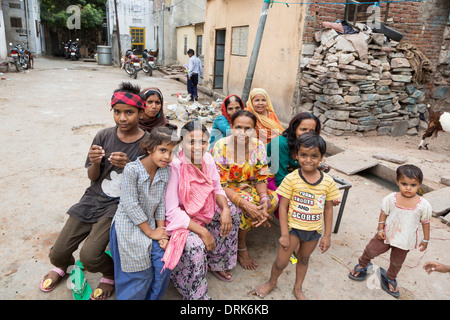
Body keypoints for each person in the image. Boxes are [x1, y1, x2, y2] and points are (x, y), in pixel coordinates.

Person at [39, 82, 149, 300]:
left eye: (129, 112)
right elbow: (92, 177)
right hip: (92, 198)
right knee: (58, 252)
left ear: (141, 112)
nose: (122, 118)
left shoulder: (147, 143)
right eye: (117, 112)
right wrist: (95, 162)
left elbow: (147, 186)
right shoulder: (103, 136)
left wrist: (129, 166)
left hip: (120, 204)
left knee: (90, 256)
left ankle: (109, 274)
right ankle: (66, 266)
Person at [254, 132, 340, 300]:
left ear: (322, 157)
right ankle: (272, 282)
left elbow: (328, 209)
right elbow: (283, 206)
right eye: (303, 155)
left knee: (304, 259)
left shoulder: (328, 182)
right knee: (281, 262)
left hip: (313, 232)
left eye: (314, 156)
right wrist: (284, 234)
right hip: (293, 230)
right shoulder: (291, 179)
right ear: (296, 155)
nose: (308, 160)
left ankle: (298, 288)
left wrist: (327, 236)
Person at [163, 121, 241, 300]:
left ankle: (218, 263)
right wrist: (202, 231)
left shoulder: (207, 159)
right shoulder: (175, 166)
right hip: (182, 218)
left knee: (233, 211)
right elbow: (172, 211)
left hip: (203, 210)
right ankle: (195, 293)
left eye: (203, 142)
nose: (198, 147)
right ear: (181, 143)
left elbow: (217, 188)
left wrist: (226, 210)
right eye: (192, 142)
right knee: (195, 245)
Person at [109, 124, 180, 300]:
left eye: (171, 152)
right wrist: (151, 232)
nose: (167, 157)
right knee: (139, 273)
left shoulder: (165, 171)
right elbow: (130, 204)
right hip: (128, 227)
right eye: (163, 150)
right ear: (149, 148)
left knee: (164, 264)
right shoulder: (132, 170)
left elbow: (161, 204)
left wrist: (162, 234)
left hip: (151, 226)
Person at [348, 164, 432, 298]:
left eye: (413, 185)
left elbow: (426, 223)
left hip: (405, 240)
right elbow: (383, 214)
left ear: (419, 185)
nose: (408, 188)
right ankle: (362, 264)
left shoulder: (424, 205)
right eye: (404, 184)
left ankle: (390, 277)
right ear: (397, 182)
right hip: (386, 235)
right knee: (370, 249)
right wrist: (379, 229)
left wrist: (426, 239)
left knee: (397, 262)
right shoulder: (391, 199)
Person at [212, 110, 278, 271]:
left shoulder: (258, 146)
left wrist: (264, 199)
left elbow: (261, 177)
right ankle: (242, 245)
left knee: (273, 199)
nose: (242, 132)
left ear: (254, 130)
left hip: (248, 185)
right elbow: (220, 184)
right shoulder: (222, 147)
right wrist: (245, 204)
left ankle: (251, 225)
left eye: (247, 128)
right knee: (247, 205)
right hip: (225, 189)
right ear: (231, 128)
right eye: (238, 127)